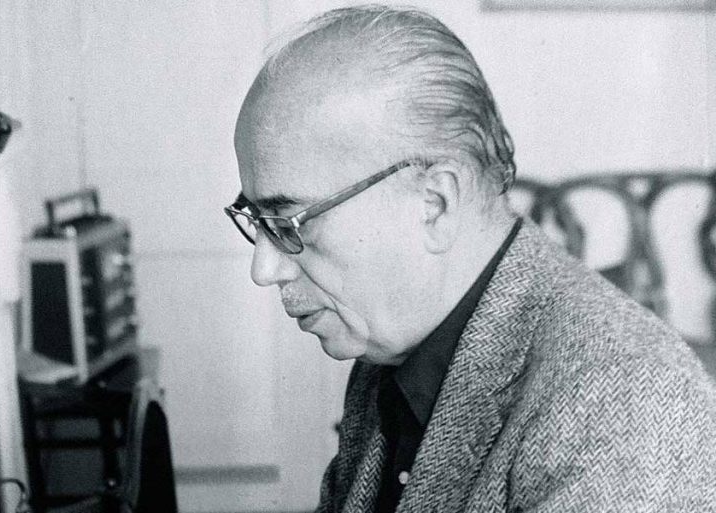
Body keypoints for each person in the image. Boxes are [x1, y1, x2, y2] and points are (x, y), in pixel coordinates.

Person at [224, 5, 716, 512]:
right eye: (256, 221)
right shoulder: (393, 347)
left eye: (289, 222)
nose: (265, 269)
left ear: (434, 204)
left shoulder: (623, 402)